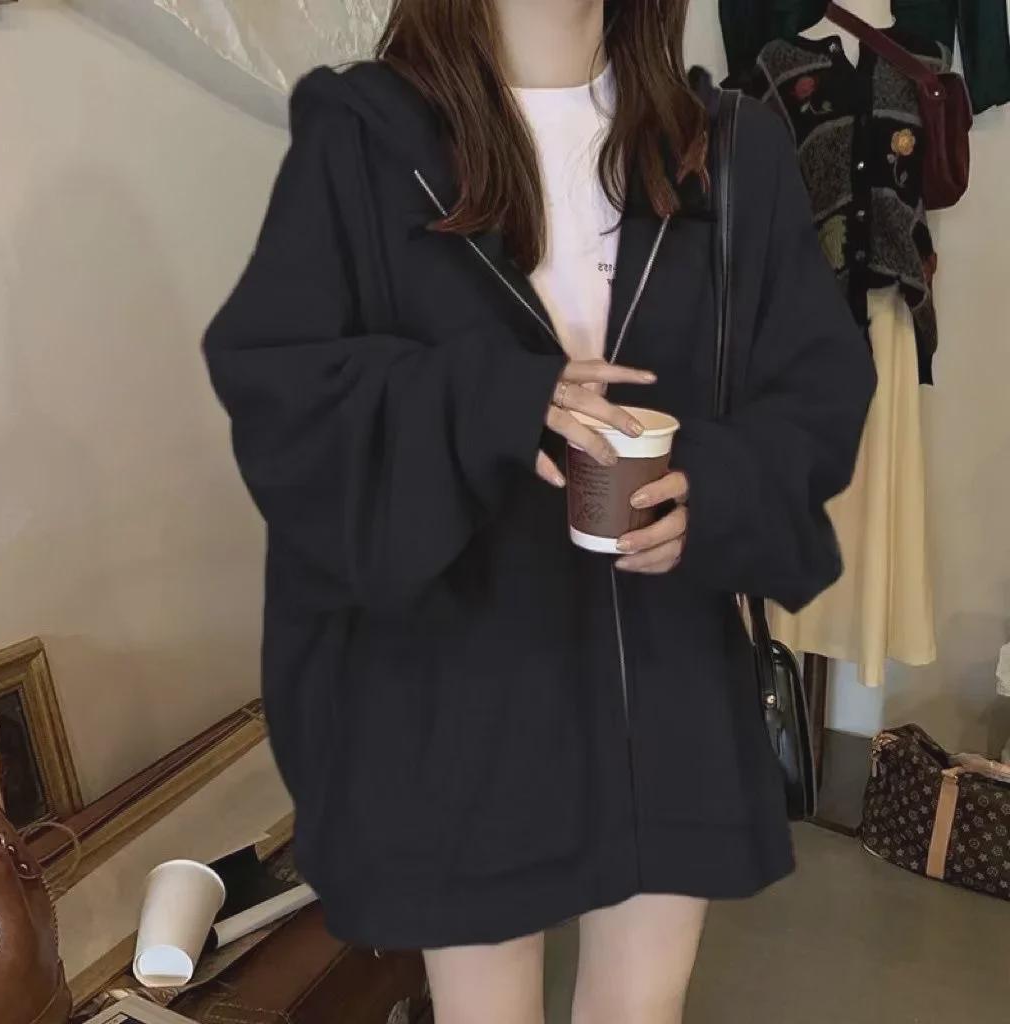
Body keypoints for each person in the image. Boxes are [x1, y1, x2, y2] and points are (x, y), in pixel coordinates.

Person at [204, 2, 875, 1021]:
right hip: (462, 672)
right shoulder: (368, 137)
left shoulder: (729, 149)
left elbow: (816, 391)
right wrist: (498, 401)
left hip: (664, 668)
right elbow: (285, 384)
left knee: (639, 1010)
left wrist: (714, 488)